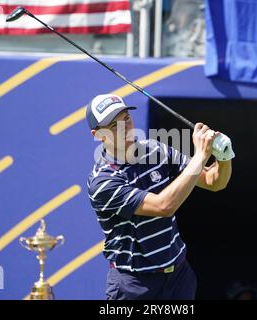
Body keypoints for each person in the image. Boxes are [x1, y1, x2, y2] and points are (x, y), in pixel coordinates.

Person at [86, 94, 234, 300]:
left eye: (126, 118)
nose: (125, 127)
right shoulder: (103, 182)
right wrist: (201, 155)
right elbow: (164, 206)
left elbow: (213, 181)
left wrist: (224, 155)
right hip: (134, 285)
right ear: (98, 134)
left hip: (178, 277)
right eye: (114, 125)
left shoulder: (157, 150)